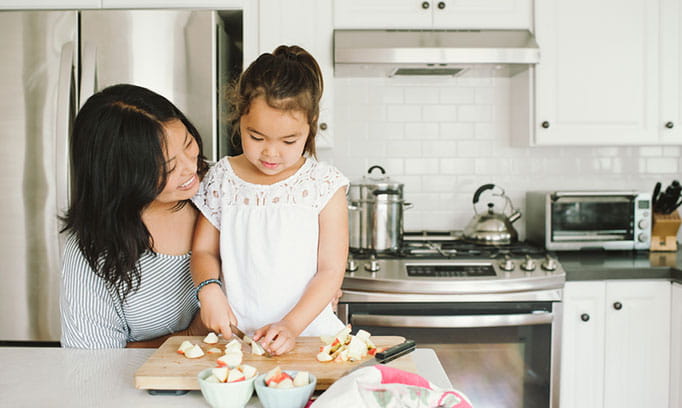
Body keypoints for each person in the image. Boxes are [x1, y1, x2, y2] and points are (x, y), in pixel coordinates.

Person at [191, 45, 349, 356]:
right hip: (236, 341)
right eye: (257, 137)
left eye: (289, 140)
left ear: (311, 125)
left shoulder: (325, 185)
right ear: (240, 119)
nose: (271, 153)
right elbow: (203, 250)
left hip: (309, 339)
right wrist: (208, 291)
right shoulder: (223, 177)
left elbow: (331, 270)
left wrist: (290, 325)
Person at [60, 84, 210, 348]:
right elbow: (93, 364)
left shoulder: (224, 188)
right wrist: (191, 335)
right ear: (123, 176)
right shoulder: (92, 251)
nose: (190, 167)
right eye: (169, 166)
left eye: (188, 144)